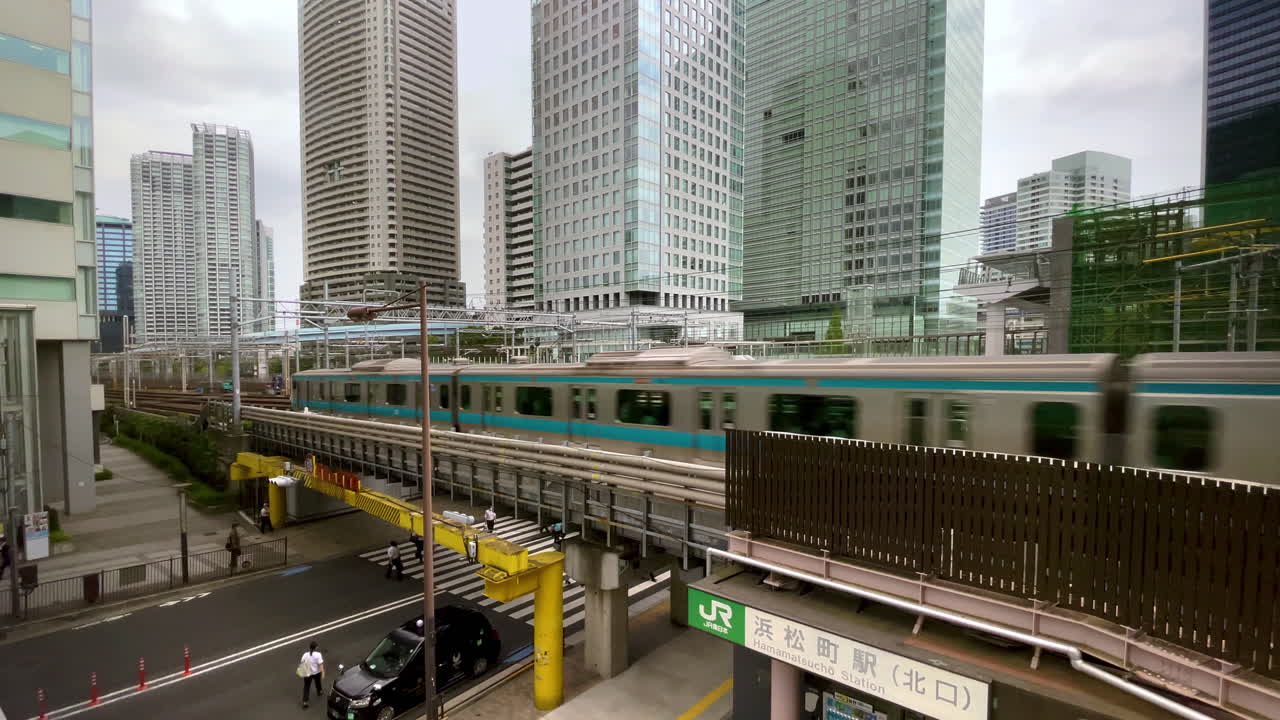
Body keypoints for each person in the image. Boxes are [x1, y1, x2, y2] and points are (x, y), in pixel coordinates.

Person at [299, 641, 324, 708]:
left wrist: (303, 672)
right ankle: (319, 691)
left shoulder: (305, 654)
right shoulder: (318, 654)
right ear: (316, 647)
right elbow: (320, 664)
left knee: (306, 687)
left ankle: (305, 701)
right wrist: (323, 672)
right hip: (316, 673)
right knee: (318, 682)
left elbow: (302, 663)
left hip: (307, 673)